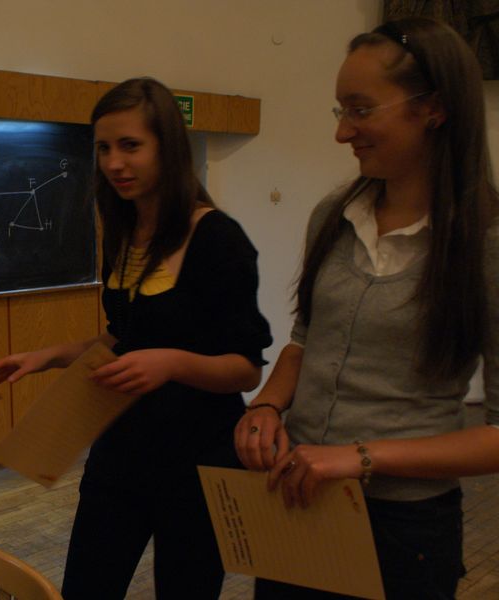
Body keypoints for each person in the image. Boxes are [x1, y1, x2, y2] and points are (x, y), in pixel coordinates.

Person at [234, 17, 499, 600]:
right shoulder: (334, 215)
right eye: (340, 110)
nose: (342, 132)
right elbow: (306, 338)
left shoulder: (484, 241)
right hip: (298, 493)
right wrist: (269, 405)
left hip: (404, 526)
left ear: (433, 109)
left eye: (360, 110)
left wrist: (357, 458)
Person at [0, 77, 272, 599]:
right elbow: (127, 337)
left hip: (196, 459)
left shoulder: (217, 238)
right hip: (122, 448)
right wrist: (46, 356)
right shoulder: (123, 230)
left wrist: (171, 363)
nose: (114, 163)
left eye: (130, 146)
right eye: (104, 148)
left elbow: (246, 368)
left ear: (168, 147)